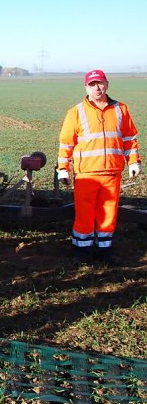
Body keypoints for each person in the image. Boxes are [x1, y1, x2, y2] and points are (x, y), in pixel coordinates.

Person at [57, 69, 140, 265]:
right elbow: (66, 143)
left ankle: (105, 251)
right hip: (86, 174)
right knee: (84, 215)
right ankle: (82, 252)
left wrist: (133, 161)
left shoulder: (121, 109)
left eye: (100, 83)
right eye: (92, 84)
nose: (97, 88)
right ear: (86, 87)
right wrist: (63, 168)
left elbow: (129, 139)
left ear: (107, 85)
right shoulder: (76, 112)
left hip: (112, 173)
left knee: (108, 215)